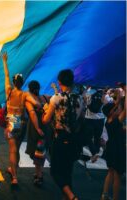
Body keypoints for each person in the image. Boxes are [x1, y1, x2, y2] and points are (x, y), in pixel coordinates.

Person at [42, 69, 84, 200]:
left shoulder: (56, 98)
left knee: (55, 171)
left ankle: (71, 196)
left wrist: (45, 111)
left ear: (59, 82)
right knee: (67, 172)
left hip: (60, 139)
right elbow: (81, 119)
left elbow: (46, 120)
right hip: (73, 139)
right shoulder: (81, 99)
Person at [2, 52, 39, 185]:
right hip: (22, 122)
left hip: (12, 120)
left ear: (14, 82)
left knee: (12, 149)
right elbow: (36, 104)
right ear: (22, 83)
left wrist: (5, 62)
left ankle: (15, 177)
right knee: (16, 149)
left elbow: (6, 75)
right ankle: (12, 169)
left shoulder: (9, 91)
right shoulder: (25, 94)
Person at [25, 80, 50, 187]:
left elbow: (33, 115)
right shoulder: (46, 97)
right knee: (41, 151)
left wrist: (37, 128)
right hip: (46, 128)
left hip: (35, 129)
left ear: (30, 89)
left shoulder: (29, 101)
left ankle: (39, 176)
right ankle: (38, 172)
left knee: (36, 153)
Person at [101, 99, 126, 200]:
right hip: (117, 150)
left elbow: (120, 130)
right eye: (117, 109)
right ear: (112, 112)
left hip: (110, 148)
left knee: (110, 172)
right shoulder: (116, 121)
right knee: (117, 176)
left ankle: (104, 195)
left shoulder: (108, 121)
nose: (120, 109)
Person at [83, 87, 105, 162]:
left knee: (87, 137)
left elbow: (85, 103)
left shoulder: (88, 92)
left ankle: (94, 153)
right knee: (97, 137)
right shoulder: (103, 93)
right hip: (100, 119)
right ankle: (96, 152)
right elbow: (105, 104)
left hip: (89, 118)